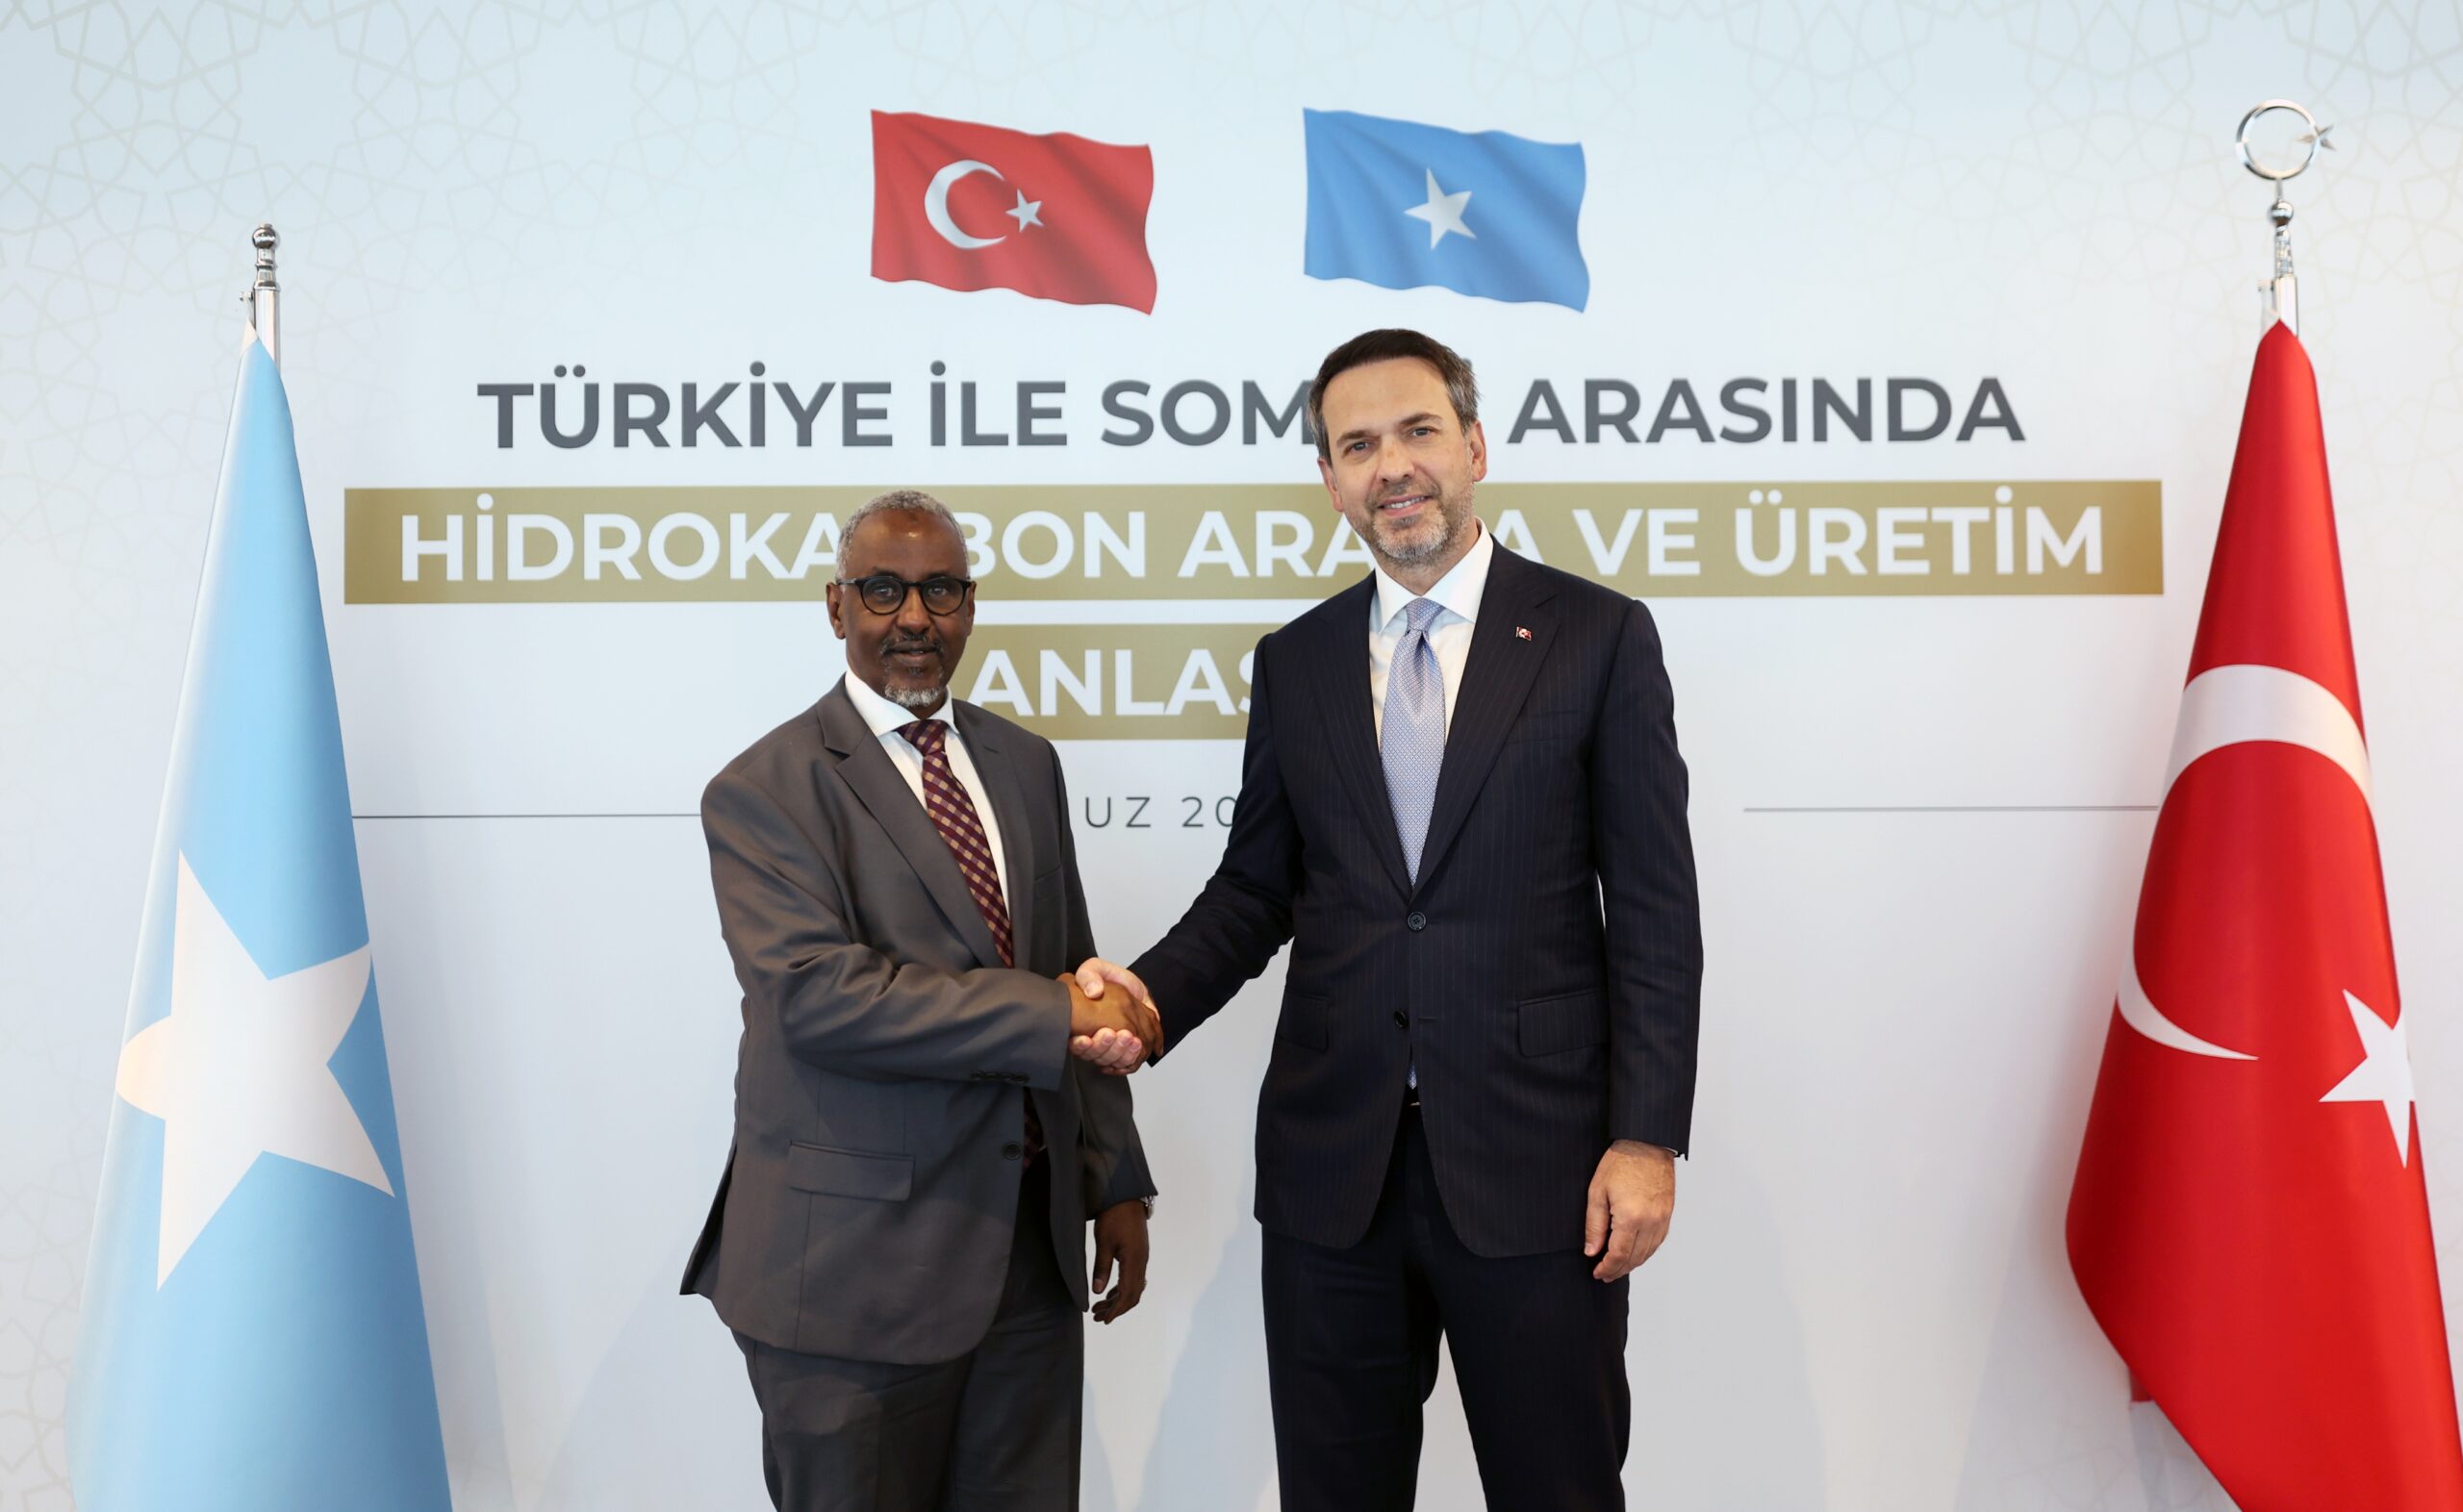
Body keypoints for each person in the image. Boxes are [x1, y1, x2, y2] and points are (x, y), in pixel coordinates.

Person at [1073, 330, 1702, 1511]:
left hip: (1540, 1167)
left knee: (1559, 1491)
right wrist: (1149, 1002)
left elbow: (1656, 908)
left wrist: (1646, 1138)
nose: (1392, 466)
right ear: (1329, 480)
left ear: (1474, 446)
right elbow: (1257, 889)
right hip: (1332, 1176)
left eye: (1417, 431)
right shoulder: (1296, 661)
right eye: (1357, 446)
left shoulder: (1597, 635)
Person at [683, 488, 1163, 1512]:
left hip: (1027, 1263)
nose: (914, 617)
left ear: (970, 605)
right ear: (836, 606)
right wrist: (1056, 1014)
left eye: (940, 590)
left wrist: (1113, 1178)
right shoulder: (764, 788)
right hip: (851, 1282)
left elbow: (1072, 965)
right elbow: (821, 999)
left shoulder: (1024, 764)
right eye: (883, 591)